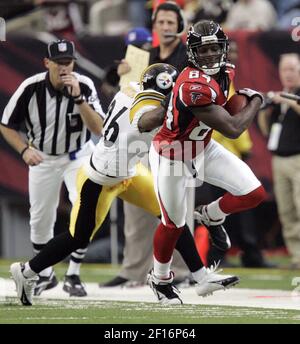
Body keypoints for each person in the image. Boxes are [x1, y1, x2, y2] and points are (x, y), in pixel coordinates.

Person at [9, 63, 238, 306]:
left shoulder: (129, 90)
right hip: (99, 179)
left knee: (171, 216)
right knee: (78, 237)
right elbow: (159, 126)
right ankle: (26, 272)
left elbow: (137, 93)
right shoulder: (146, 116)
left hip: (128, 171)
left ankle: (201, 277)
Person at [148, 20, 266, 304]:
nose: (211, 55)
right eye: (205, 50)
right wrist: (255, 102)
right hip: (172, 153)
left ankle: (211, 214)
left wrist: (242, 102)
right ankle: (160, 278)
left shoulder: (226, 71)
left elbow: (225, 110)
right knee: (173, 224)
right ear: (192, 52)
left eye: (215, 48)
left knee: (254, 193)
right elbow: (234, 128)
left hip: (202, 147)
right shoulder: (192, 85)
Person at [0, 39, 104, 297]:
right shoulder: (31, 87)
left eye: (67, 62)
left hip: (78, 155)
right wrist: (24, 149)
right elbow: (5, 124)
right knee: (40, 219)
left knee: (84, 209)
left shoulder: (85, 85)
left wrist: (79, 99)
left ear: (73, 63)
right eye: (57, 63)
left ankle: (73, 273)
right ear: (46, 63)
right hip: (44, 157)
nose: (63, 68)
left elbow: (98, 128)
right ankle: (45, 275)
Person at [104, 0, 191, 287]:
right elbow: (119, 90)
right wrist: (120, 72)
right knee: (136, 202)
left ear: (179, 26)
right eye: (160, 22)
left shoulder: (188, 57)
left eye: (170, 22)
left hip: (176, 138)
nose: (165, 27)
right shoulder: (143, 56)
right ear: (153, 26)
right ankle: (134, 269)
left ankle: (180, 269)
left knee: (176, 204)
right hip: (141, 137)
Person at [258, 53, 300, 269]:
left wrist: (289, 101)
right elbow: (266, 130)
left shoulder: (294, 96)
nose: (289, 74)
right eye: (285, 70)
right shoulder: (283, 96)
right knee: (286, 210)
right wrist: (265, 110)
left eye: (293, 69)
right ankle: (297, 257)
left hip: (298, 159)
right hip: (279, 159)